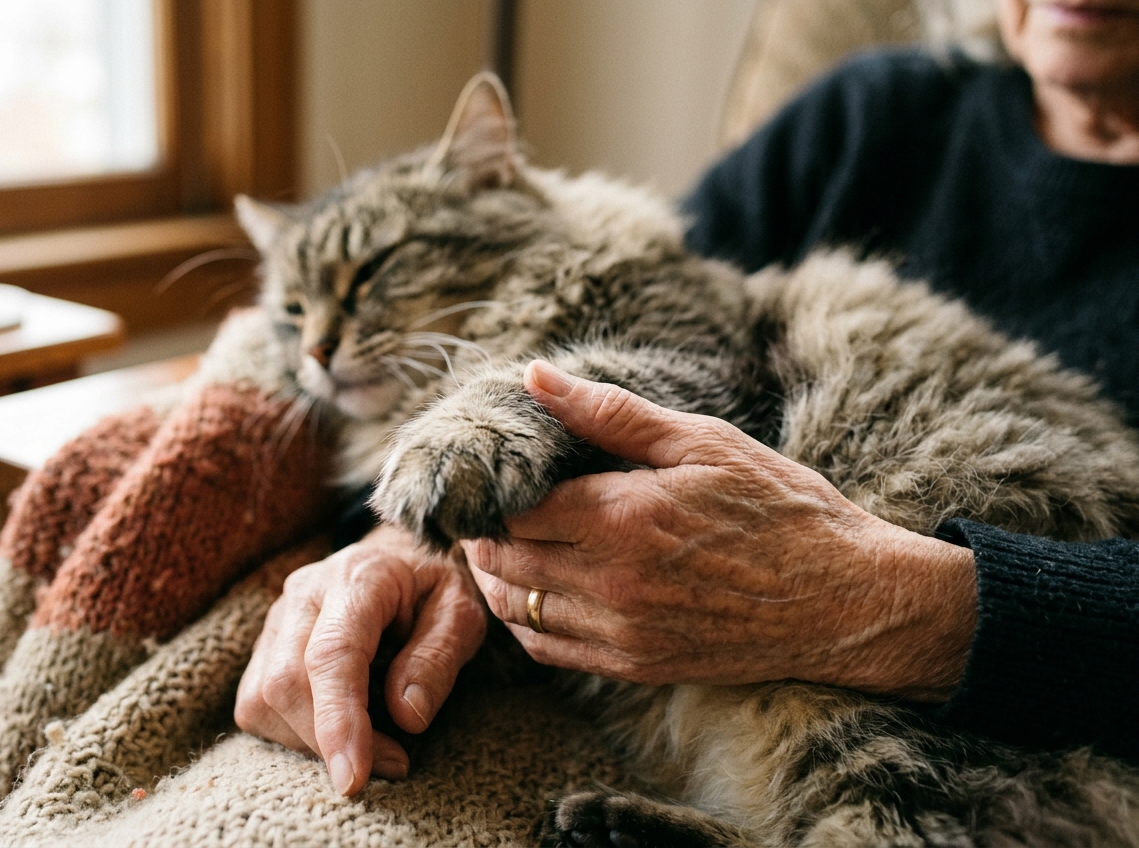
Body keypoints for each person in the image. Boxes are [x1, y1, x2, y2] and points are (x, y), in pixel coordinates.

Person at [235, 0, 1139, 798]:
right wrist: (413, 543)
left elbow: (688, 370)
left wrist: (877, 603)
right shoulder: (874, 109)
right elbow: (681, 302)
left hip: (1003, 638)